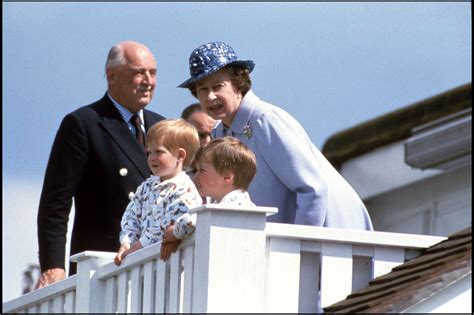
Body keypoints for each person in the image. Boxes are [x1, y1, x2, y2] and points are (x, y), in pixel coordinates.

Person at [178, 41, 373, 230]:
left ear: (238, 84)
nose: (210, 96)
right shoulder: (219, 133)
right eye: (203, 89)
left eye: (218, 86)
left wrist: (298, 247)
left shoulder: (266, 120)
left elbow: (312, 189)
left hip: (333, 235)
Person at [35, 41, 165, 289]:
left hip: (156, 267)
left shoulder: (163, 127)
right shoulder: (84, 124)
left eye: (153, 72)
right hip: (102, 270)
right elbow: (56, 204)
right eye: (139, 72)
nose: (148, 80)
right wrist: (53, 267)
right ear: (112, 75)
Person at [114, 119, 202, 265]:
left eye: (159, 152)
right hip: (143, 264)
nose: (151, 158)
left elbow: (167, 226)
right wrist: (127, 242)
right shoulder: (146, 186)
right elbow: (131, 215)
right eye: (149, 152)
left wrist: (137, 247)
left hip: (170, 264)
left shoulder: (185, 189)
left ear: (180, 155)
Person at [161, 136, 257, 259]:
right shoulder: (242, 204)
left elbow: (190, 221)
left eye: (202, 170)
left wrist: (174, 232)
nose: (195, 176)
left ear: (227, 177)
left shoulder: (228, 207)